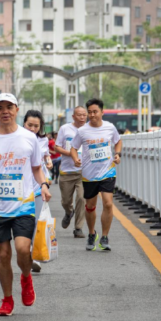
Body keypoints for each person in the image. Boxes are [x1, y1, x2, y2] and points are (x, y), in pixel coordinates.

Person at [0, 93, 51, 317]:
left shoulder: (29, 138)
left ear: (17, 110)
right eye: (0, 108)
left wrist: (44, 185)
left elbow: (36, 168)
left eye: (9, 106)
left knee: (22, 249)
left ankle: (26, 277)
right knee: (3, 255)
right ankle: (7, 299)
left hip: (23, 204)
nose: (5, 111)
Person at [70, 98, 122, 252]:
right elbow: (73, 147)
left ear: (102, 112)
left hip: (107, 171)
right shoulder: (82, 131)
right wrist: (75, 159)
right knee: (90, 206)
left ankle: (105, 237)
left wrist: (117, 154)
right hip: (89, 174)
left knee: (108, 203)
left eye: (95, 112)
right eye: (90, 112)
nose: (92, 115)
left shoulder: (110, 127)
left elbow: (118, 141)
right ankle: (92, 233)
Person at [22, 110, 53, 274]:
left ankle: (34, 256)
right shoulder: (17, 138)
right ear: (24, 123)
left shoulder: (43, 140)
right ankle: (25, 251)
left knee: (37, 222)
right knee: (25, 222)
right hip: (21, 188)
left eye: (36, 126)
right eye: (30, 125)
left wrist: (49, 162)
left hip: (39, 185)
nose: (33, 129)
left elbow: (46, 155)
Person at [54, 107, 87, 238]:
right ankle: (69, 212)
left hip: (83, 172)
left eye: (84, 115)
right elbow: (57, 147)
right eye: (79, 115)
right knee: (66, 201)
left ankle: (78, 227)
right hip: (67, 171)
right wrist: (71, 154)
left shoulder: (89, 130)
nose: (82, 117)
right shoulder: (65, 129)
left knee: (81, 198)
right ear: (73, 116)